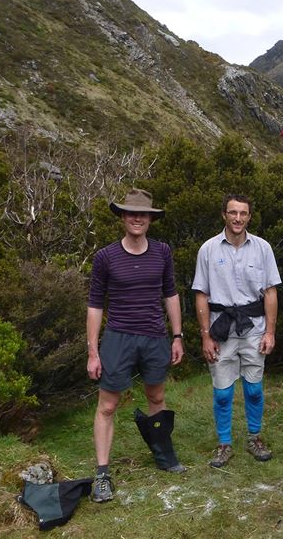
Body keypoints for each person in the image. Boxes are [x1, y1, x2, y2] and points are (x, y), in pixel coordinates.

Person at [87, 188, 185, 505]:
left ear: (151, 219)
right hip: (118, 337)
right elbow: (94, 306)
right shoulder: (105, 257)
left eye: (143, 214)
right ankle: (102, 474)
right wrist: (93, 351)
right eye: (131, 213)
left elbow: (170, 294)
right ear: (123, 217)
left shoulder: (162, 252)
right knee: (108, 405)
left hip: (155, 336)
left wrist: (178, 335)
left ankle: (163, 455)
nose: (137, 218)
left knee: (157, 396)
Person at [193, 194, 281, 468]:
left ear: (249, 217)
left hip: (254, 328)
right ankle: (224, 444)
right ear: (224, 215)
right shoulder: (208, 250)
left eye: (243, 213)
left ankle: (254, 437)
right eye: (233, 213)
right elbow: (201, 294)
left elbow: (270, 292)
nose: (238, 218)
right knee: (222, 392)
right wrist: (205, 336)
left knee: (254, 389)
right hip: (221, 330)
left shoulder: (263, 248)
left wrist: (270, 332)